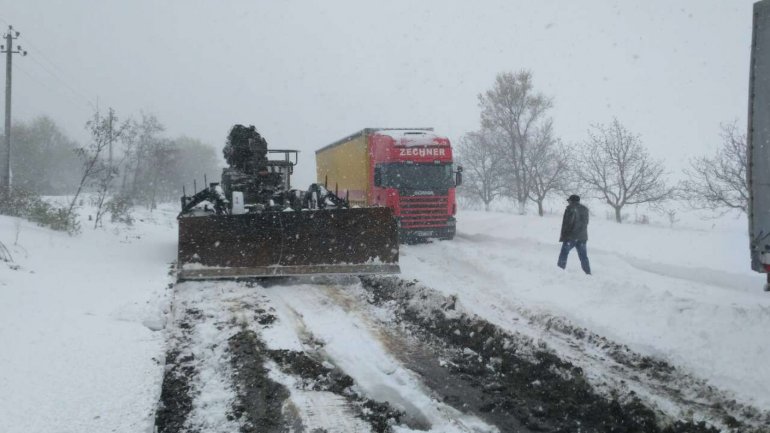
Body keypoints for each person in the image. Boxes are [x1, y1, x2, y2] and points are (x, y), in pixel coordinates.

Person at [558, 194, 591, 274]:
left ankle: (559, 271)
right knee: (583, 256)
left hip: (571, 237)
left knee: (564, 254)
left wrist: (565, 235)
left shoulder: (570, 209)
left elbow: (568, 224)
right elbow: (586, 223)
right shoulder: (585, 209)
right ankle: (587, 272)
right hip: (582, 237)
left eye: (569, 200)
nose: (568, 202)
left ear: (572, 201)